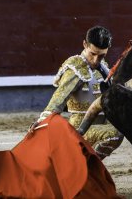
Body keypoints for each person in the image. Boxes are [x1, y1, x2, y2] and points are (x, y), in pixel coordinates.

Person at [30, 26, 124, 160]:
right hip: (80, 129)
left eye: (101, 55)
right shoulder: (75, 68)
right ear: (85, 44)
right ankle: (86, 167)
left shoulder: (103, 66)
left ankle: (84, 167)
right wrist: (41, 122)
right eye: (93, 54)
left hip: (100, 125)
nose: (96, 60)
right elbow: (59, 99)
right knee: (115, 134)